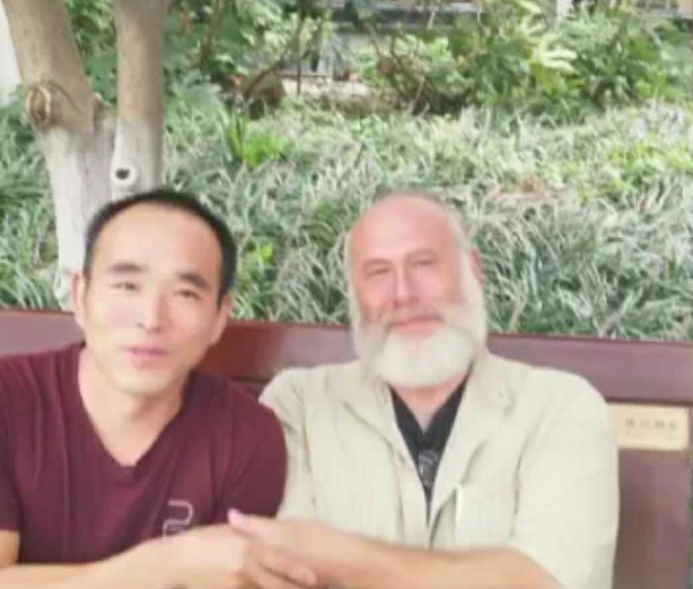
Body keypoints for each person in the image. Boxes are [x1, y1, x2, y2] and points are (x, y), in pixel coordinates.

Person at [255, 192, 619, 589]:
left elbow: (553, 582)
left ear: (473, 270)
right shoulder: (299, 405)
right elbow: (284, 573)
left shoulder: (560, 407)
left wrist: (341, 557)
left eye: (423, 264)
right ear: (353, 292)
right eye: (378, 272)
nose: (402, 293)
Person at [0, 189, 315, 589]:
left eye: (185, 293)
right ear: (80, 295)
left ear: (219, 317)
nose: (151, 318)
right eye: (127, 286)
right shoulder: (9, 399)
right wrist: (159, 567)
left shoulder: (247, 434)